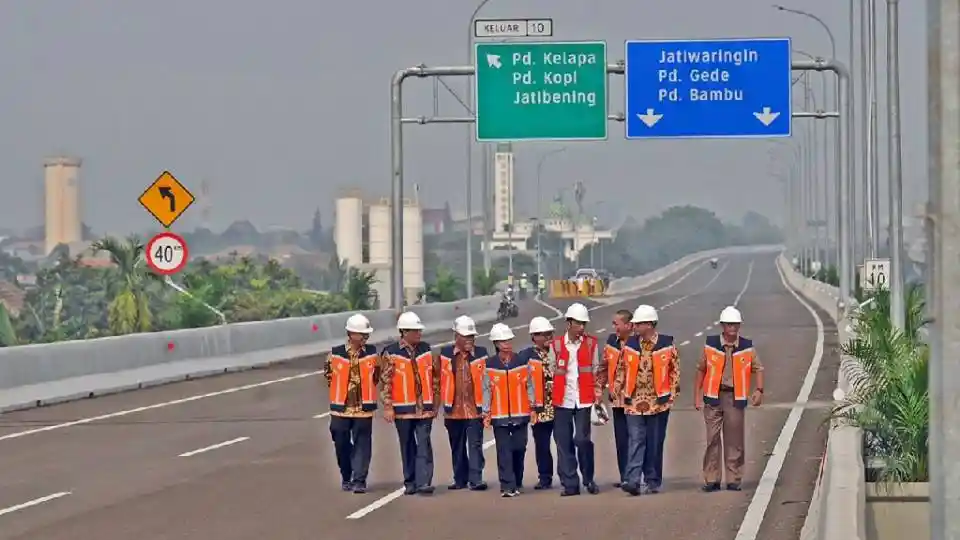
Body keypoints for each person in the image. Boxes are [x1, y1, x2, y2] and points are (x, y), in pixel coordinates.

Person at [694, 306, 765, 492]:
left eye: (735, 324)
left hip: (735, 397)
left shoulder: (746, 347)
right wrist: (696, 396)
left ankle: (734, 478)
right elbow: (701, 369)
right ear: (722, 326)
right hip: (713, 396)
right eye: (729, 324)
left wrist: (759, 390)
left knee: (735, 440)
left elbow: (758, 368)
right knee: (712, 439)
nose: (732, 328)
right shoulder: (710, 345)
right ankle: (712, 478)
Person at [620, 305, 679, 495]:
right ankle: (633, 480)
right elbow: (621, 369)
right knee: (636, 440)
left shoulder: (666, 344)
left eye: (638, 324)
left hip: (658, 402)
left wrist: (671, 396)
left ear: (650, 324)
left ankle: (652, 480)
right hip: (634, 401)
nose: (635, 327)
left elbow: (674, 371)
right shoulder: (630, 345)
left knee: (654, 442)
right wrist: (619, 391)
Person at [550, 302, 607, 496]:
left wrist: (597, 393)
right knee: (563, 442)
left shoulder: (591, 343)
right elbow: (552, 369)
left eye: (584, 324)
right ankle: (570, 484)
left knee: (582, 440)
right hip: (562, 400)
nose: (582, 327)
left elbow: (596, 369)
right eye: (578, 323)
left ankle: (589, 479)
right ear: (568, 323)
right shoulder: (556, 345)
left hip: (584, 399)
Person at [380, 311, 439, 495]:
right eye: (415, 331)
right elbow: (386, 382)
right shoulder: (391, 352)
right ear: (404, 332)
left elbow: (435, 378)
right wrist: (388, 406)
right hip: (402, 410)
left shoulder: (426, 350)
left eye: (419, 331)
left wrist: (435, 403)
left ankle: (424, 482)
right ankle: (410, 482)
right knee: (407, 446)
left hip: (424, 409)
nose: (419, 334)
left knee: (423, 445)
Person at [324, 313, 380, 494]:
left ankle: (359, 480)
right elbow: (329, 376)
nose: (365, 337)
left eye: (366, 334)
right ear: (350, 334)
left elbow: (377, 376)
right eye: (361, 334)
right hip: (341, 409)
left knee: (363, 444)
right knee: (341, 442)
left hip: (363, 408)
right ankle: (346, 475)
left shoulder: (373, 354)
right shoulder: (335, 354)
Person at [482, 323, 538, 497]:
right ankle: (507, 485)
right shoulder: (489, 365)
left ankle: (517, 481)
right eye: (504, 341)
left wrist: (533, 408)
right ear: (497, 344)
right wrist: (486, 412)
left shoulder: (521, 362)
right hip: (499, 416)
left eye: (509, 340)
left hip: (521, 414)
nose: (508, 343)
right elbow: (486, 390)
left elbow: (529, 385)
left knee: (519, 448)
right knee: (503, 451)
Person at [437, 315, 488, 491]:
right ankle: (460, 479)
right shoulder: (445, 355)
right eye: (466, 337)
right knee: (457, 446)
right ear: (456, 336)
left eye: (472, 337)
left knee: (475, 445)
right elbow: (437, 380)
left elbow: (488, 382)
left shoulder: (482, 354)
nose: (469, 340)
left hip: (475, 409)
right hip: (453, 409)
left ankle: (476, 479)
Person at [522, 316, 558, 490]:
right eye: (543, 335)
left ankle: (568, 476)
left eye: (549, 334)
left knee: (564, 444)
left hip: (559, 406)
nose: (547, 338)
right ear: (534, 337)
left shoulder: (558, 352)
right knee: (542, 445)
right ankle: (545, 477)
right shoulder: (526, 356)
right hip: (540, 408)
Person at [604, 309, 634, 488]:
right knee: (622, 440)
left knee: (636, 439)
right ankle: (625, 476)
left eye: (617, 323)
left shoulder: (638, 343)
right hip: (617, 400)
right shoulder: (611, 342)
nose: (614, 327)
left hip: (635, 401)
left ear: (629, 325)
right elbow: (604, 365)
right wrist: (599, 387)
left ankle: (636, 475)